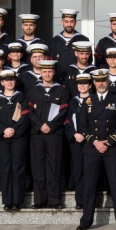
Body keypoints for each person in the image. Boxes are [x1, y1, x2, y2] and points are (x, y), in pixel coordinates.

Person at [77, 69, 116, 230]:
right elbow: (82, 126)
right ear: (93, 83)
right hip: (92, 148)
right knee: (89, 186)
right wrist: (95, 141)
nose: (100, 83)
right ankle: (86, 221)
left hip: (112, 148)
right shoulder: (87, 101)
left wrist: (109, 141)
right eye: (97, 81)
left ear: (108, 82)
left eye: (103, 80)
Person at [0, 70, 30, 211]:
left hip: (18, 137)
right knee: (5, 168)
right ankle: (7, 201)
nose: (10, 82)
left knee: (18, 168)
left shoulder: (22, 97)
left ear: (15, 82)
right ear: (2, 82)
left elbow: (25, 115)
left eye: (12, 80)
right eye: (7, 80)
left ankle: (17, 200)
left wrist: (14, 130)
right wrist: (3, 130)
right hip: (2, 137)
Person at [27, 60, 68, 209]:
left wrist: (51, 126)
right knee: (38, 167)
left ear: (54, 72)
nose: (47, 74)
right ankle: (39, 200)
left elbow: (63, 111)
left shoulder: (61, 90)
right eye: (44, 71)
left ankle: (54, 200)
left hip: (54, 134)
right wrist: (40, 125)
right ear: (41, 73)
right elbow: (30, 112)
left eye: (50, 71)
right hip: (37, 134)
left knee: (54, 167)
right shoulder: (33, 90)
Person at [64, 73, 92, 210]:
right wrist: (74, 134)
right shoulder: (72, 102)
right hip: (76, 141)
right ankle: (80, 200)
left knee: (90, 171)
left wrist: (86, 135)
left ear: (90, 86)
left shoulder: (94, 100)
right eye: (80, 84)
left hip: (90, 141)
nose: (82, 86)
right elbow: (67, 121)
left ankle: (90, 200)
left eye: (85, 84)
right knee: (78, 170)